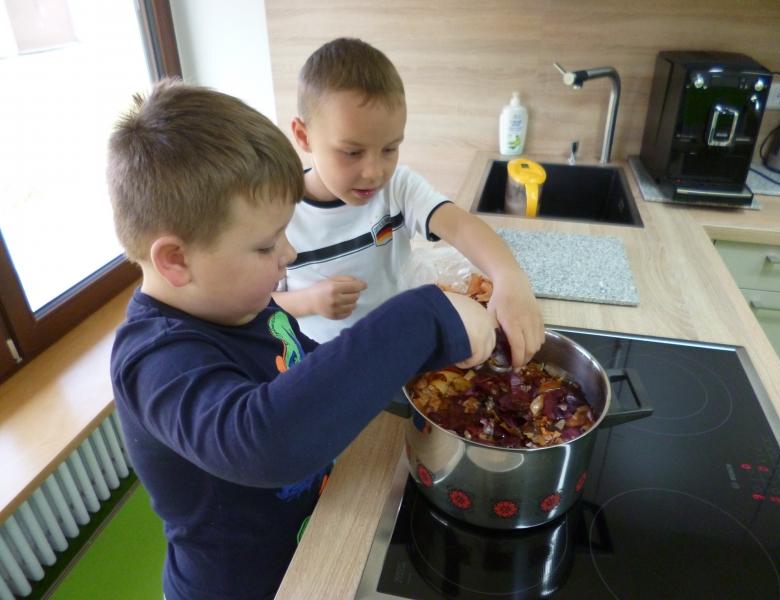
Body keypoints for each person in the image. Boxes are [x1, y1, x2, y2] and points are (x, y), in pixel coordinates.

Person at [107, 79, 496, 600]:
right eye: (267, 244)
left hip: (307, 550)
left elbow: (302, 367)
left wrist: (410, 359)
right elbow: (267, 441)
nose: (288, 256)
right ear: (176, 261)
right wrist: (422, 318)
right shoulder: (154, 360)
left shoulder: (237, 302)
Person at [272, 37, 545, 367]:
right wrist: (308, 301)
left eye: (390, 148)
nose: (374, 173)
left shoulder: (398, 187)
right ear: (303, 136)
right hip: (322, 363)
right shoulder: (277, 211)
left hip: (396, 347)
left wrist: (509, 276)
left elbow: (460, 226)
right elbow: (258, 304)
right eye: (352, 152)